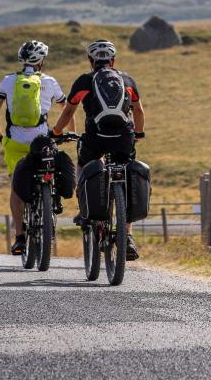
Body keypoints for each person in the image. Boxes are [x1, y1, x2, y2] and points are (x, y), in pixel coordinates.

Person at [51, 39, 145, 260]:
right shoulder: (127, 80)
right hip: (124, 138)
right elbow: (138, 111)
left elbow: (68, 112)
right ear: (113, 60)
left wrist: (56, 132)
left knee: (85, 165)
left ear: (90, 61)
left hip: (96, 138)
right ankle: (127, 235)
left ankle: (85, 209)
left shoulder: (85, 81)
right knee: (126, 172)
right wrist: (138, 134)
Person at [0, 40, 73, 255]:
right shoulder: (50, 82)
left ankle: (19, 238)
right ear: (41, 62)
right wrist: (67, 133)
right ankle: (52, 200)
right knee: (49, 171)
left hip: (15, 144)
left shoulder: (8, 81)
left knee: (17, 186)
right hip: (41, 143)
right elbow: (66, 110)